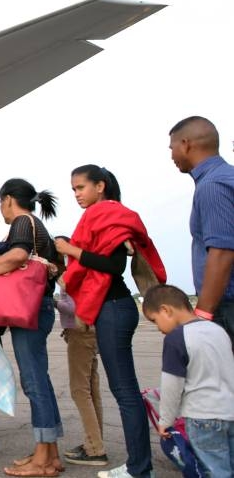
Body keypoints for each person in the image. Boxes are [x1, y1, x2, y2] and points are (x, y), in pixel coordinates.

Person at [56, 165, 166, 478]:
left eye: (80, 187)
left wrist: (70, 250)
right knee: (124, 390)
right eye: (73, 189)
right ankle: (138, 466)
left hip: (113, 308)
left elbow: (113, 266)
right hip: (115, 308)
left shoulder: (107, 215)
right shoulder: (107, 216)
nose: (77, 194)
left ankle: (139, 469)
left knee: (125, 392)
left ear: (100, 186)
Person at [0, 179, 63, 476]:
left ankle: (43, 461)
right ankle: (48, 453)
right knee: (39, 380)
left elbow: (19, 255)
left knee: (34, 381)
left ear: (8, 199)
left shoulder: (23, 221)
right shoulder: (35, 223)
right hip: (39, 308)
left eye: (0, 202)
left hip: (30, 310)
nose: (1, 209)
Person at [144, 284, 234, 478]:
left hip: (202, 417)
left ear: (165, 310)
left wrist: (165, 421)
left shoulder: (176, 338)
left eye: (155, 320)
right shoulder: (218, 330)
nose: (159, 328)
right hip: (230, 412)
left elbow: (172, 385)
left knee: (214, 471)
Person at [168, 116, 234, 349]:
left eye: (172, 148)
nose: (172, 156)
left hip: (227, 305)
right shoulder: (226, 177)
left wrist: (202, 316)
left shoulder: (213, 186)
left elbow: (223, 252)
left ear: (186, 144)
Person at [54, 281, 108, 467]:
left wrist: (52, 302)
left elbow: (73, 307)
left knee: (80, 391)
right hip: (89, 331)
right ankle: (94, 442)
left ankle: (95, 450)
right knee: (92, 391)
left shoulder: (73, 276)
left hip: (80, 332)